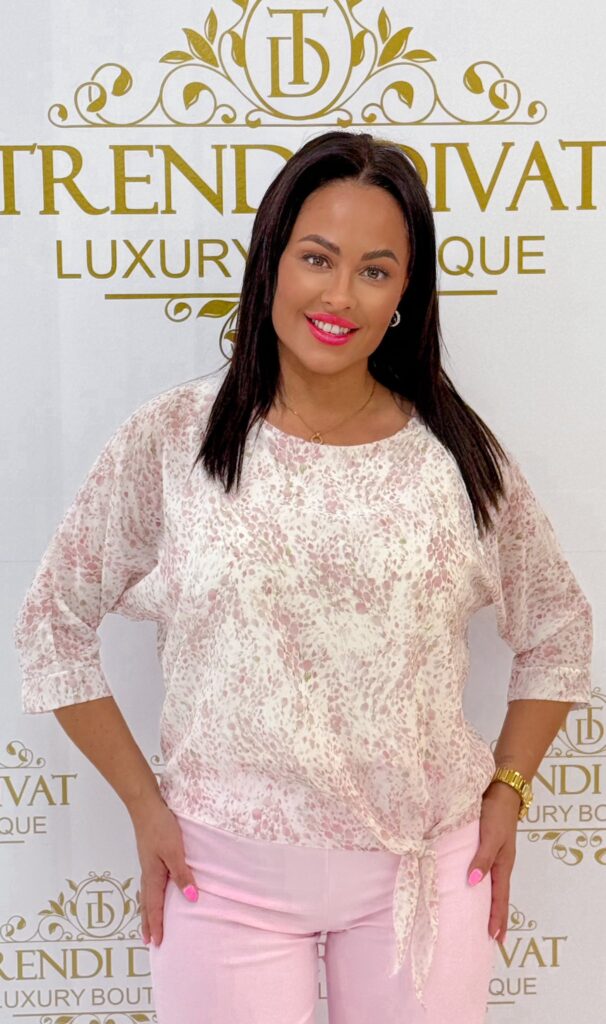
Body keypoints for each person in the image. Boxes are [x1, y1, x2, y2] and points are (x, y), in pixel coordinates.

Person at [13, 129, 593, 1024]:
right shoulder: (174, 440)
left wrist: (509, 791)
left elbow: (558, 627)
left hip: (426, 875)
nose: (339, 295)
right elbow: (52, 621)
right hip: (221, 876)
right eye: (317, 258)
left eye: (375, 270)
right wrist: (143, 804)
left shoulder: (456, 459)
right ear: (271, 263)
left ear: (405, 294)